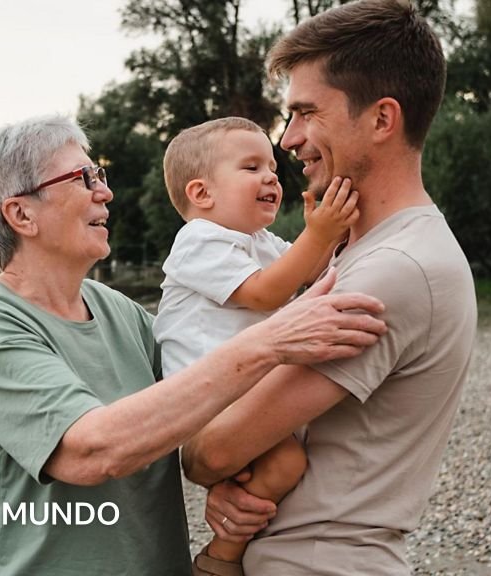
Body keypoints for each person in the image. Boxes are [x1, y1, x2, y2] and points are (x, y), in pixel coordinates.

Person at [0, 115, 389, 575]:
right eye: (82, 178)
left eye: (100, 176)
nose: (105, 191)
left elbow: (190, 402)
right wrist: (269, 342)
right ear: (21, 214)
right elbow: (92, 452)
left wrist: (233, 477)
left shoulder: (116, 311)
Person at [181, 2, 479, 575]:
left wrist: (217, 463)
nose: (288, 139)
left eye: (305, 113)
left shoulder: (396, 268)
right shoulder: (361, 250)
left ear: (382, 120)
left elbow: (212, 450)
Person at [153, 116, 359, 574]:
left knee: (287, 461)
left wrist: (323, 239)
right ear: (201, 194)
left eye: (270, 165)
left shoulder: (259, 241)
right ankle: (221, 557)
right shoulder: (198, 241)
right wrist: (318, 236)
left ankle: (251, 538)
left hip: (243, 391)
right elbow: (266, 292)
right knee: (286, 462)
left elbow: (306, 272)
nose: (270, 175)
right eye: (250, 168)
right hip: (208, 403)